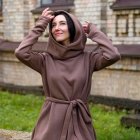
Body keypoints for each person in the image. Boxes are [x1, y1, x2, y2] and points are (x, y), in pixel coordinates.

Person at [15, 7, 121, 140]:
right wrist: (41, 24)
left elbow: (113, 55)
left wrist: (94, 33)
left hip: (79, 120)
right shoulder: (45, 60)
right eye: (53, 25)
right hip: (51, 123)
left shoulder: (89, 59)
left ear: (73, 27)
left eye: (62, 23)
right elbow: (21, 52)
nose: (56, 28)